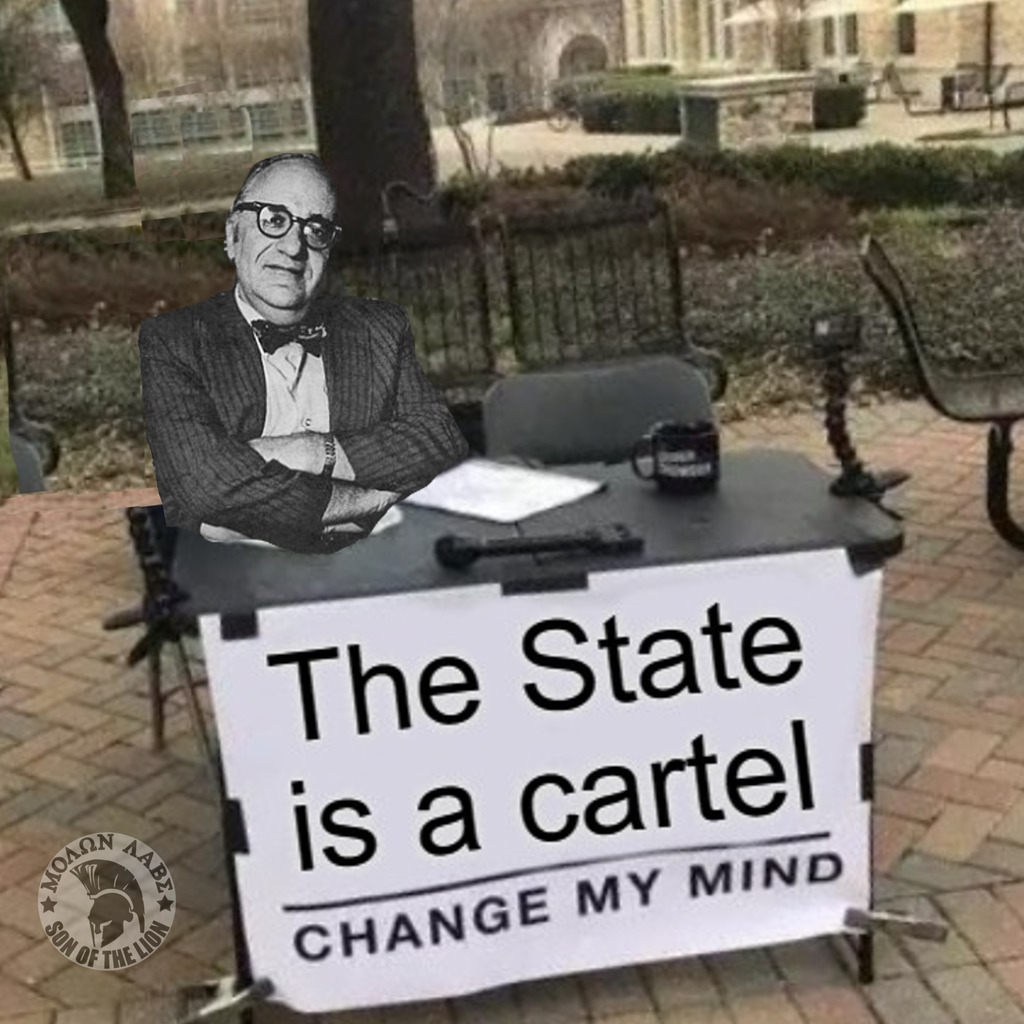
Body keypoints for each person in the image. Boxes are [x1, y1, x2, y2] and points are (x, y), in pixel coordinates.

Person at [138, 153, 468, 554]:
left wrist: (312, 451)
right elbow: (204, 486)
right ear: (232, 235)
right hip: (242, 569)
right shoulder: (175, 341)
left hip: (369, 560)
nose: (294, 247)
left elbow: (438, 437)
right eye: (274, 220)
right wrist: (368, 500)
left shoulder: (378, 327)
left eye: (316, 229)